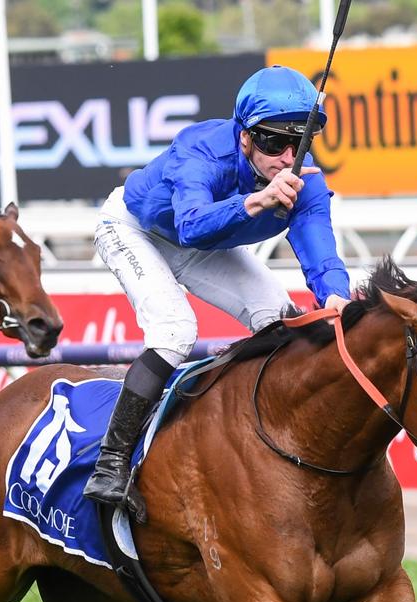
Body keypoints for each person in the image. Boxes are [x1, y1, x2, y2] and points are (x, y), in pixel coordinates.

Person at [83, 65, 351, 519]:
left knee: (278, 318)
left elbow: (321, 256)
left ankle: (261, 445)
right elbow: (191, 223)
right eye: (273, 142)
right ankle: (110, 466)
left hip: (202, 244)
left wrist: (336, 298)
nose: (287, 158)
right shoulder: (201, 150)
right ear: (244, 137)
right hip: (135, 229)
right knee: (174, 330)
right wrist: (259, 200)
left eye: (298, 143)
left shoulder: (306, 183)